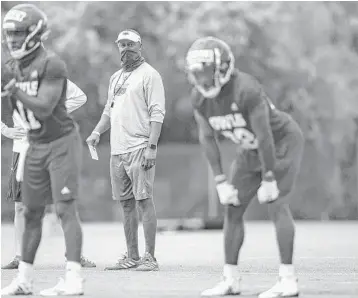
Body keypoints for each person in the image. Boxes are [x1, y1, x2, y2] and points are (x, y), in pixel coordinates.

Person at [185, 37, 304, 298]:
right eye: (198, 72)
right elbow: (207, 137)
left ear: (223, 68)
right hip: (251, 149)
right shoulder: (200, 99)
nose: (202, 79)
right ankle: (230, 280)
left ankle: (288, 279)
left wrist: (270, 176)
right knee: (233, 208)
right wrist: (219, 180)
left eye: (206, 71)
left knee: (276, 203)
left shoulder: (246, 89)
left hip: (281, 142)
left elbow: (265, 137)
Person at [1, 4, 85, 296]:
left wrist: (14, 90)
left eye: (19, 33)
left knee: (64, 208)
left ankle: (74, 278)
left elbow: (46, 107)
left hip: (61, 143)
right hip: (33, 145)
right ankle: (25, 279)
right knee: (31, 212)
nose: (12, 39)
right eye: (9, 33)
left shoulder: (52, 64)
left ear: (35, 34)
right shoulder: (10, 67)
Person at [86, 29, 165, 271]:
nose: (126, 48)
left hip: (140, 147)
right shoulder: (115, 78)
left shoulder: (150, 75)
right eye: (122, 45)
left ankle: (149, 257)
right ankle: (132, 256)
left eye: (130, 44)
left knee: (144, 201)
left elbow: (157, 113)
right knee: (126, 204)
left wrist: (152, 147)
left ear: (140, 46)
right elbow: (109, 112)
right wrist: (97, 132)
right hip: (117, 151)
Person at [1, 79, 96, 270]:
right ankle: (21, 256)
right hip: (23, 149)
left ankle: (75, 255)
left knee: (64, 204)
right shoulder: (11, 77)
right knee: (21, 206)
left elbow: (80, 97)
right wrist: (5, 130)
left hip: (53, 147)